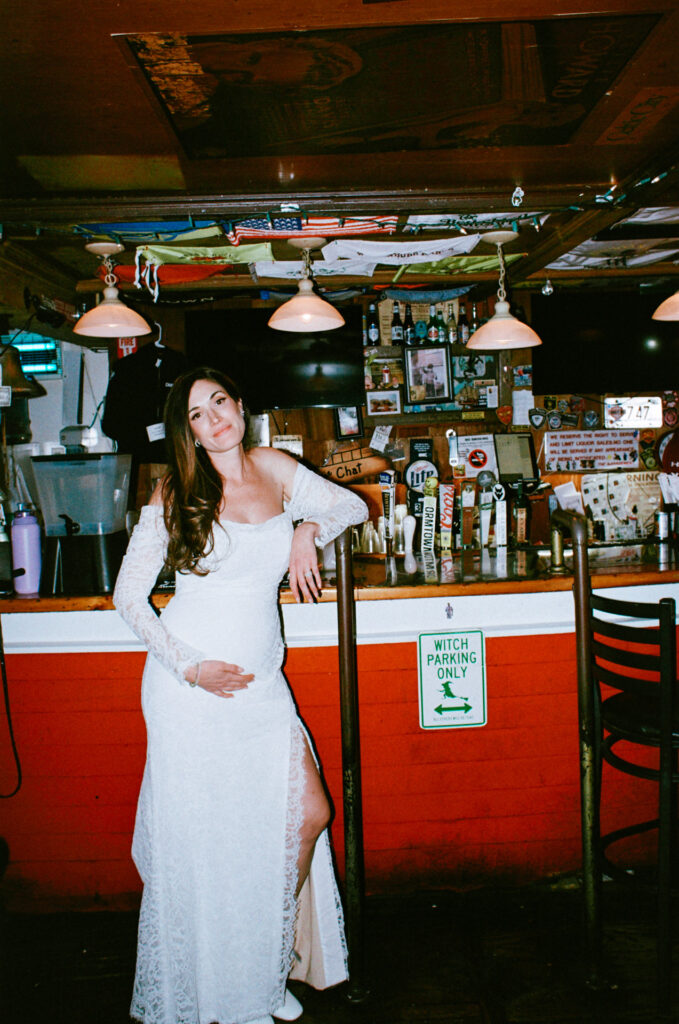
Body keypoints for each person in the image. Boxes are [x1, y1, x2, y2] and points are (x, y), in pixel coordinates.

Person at [113, 367, 368, 1024]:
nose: (213, 419)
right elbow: (129, 599)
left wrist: (308, 529)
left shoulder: (275, 467)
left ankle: (261, 954)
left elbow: (352, 506)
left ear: (239, 405)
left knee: (307, 811)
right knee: (205, 843)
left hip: (261, 692)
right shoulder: (176, 490)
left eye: (218, 402)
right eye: (196, 414)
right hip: (190, 690)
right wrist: (191, 668)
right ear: (188, 433)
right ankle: (245, 981)